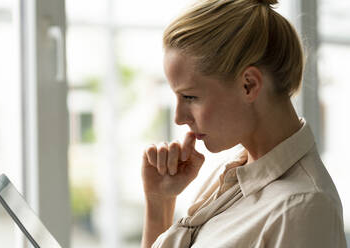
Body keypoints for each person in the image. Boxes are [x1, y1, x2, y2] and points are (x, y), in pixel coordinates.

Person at [141, 0, 347, 247]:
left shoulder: (302, 208)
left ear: (248, 85)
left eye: (190, 97)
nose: (178, 117)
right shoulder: (232, 175)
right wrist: (159, 203)